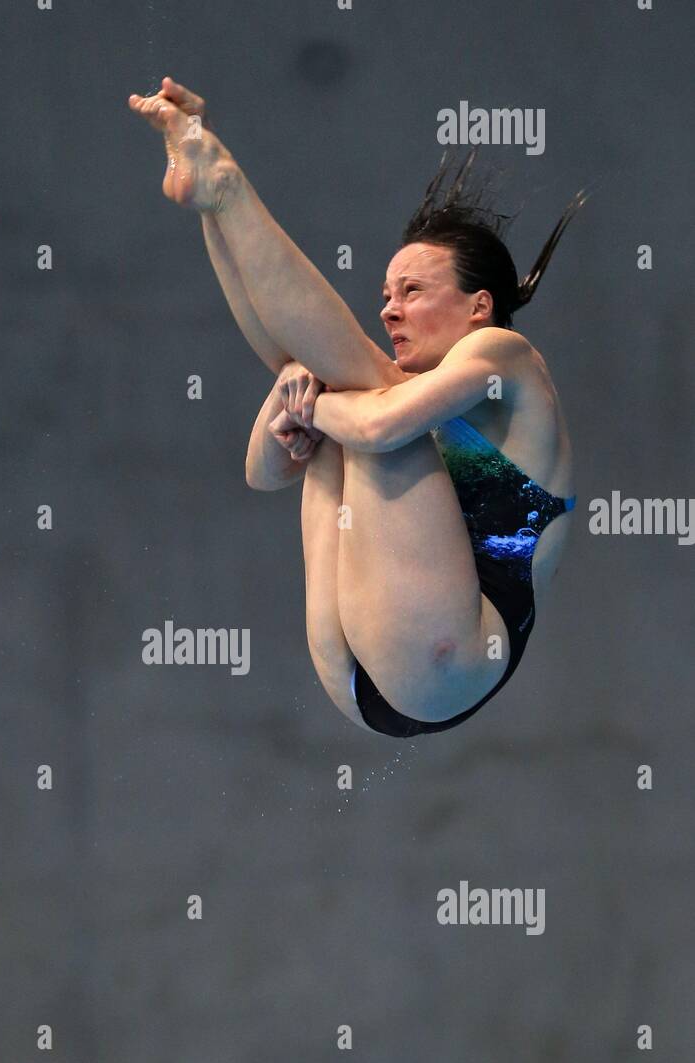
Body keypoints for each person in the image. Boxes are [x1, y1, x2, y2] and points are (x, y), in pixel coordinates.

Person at [128, 77, 587, 737]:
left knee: (354, 391)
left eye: (411, 289)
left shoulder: (504, 355)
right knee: (329, 375)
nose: (388, 307)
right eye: (384, 292)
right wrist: (301, 391)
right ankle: (212, 203)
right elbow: (261, 469)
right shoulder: (378, 389)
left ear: (477, 305)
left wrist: (309, 405)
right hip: (368, 670)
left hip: (450, 657)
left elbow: (376, 428)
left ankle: (224, 189)